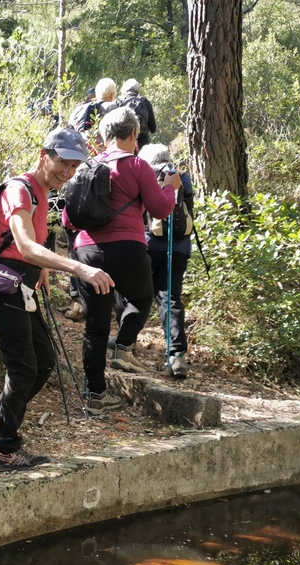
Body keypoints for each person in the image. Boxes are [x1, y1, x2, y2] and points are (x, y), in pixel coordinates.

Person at [0, 127, 115, 470]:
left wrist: (42, 271)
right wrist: (78, 269)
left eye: (73, 168)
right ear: (44, 155)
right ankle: (6, 450)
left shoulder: (41, 193)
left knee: (43, 361)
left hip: (21, 285)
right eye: (62, 164)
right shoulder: (19, 191)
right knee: (23, 368)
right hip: (2, 287)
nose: (66, 173)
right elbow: (24, 245)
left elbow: (28, 248)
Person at [62, 108, 179, 409]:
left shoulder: (86, 166)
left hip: (86, 252)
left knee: (96, 327)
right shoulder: (137, 165)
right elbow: (161, 209)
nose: (137, 142)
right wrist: (171, 189)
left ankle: (95, 395)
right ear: (131, 135)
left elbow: (68, 218)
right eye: (137, 136)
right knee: (142, 298)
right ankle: (123, 346)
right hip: (126, 248)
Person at [139, 143, 194, 379]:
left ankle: (125, 343)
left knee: (136, 291)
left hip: (150, 244)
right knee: (170, 297)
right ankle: (177, 355)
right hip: (179, 247)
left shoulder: (148, 175)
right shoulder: (182, 176)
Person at [115, 78, 157, 149]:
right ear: (138, 90)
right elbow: (153, 128)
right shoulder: (145, 101)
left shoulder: (119, 102)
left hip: (125, 143)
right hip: (143, 143)